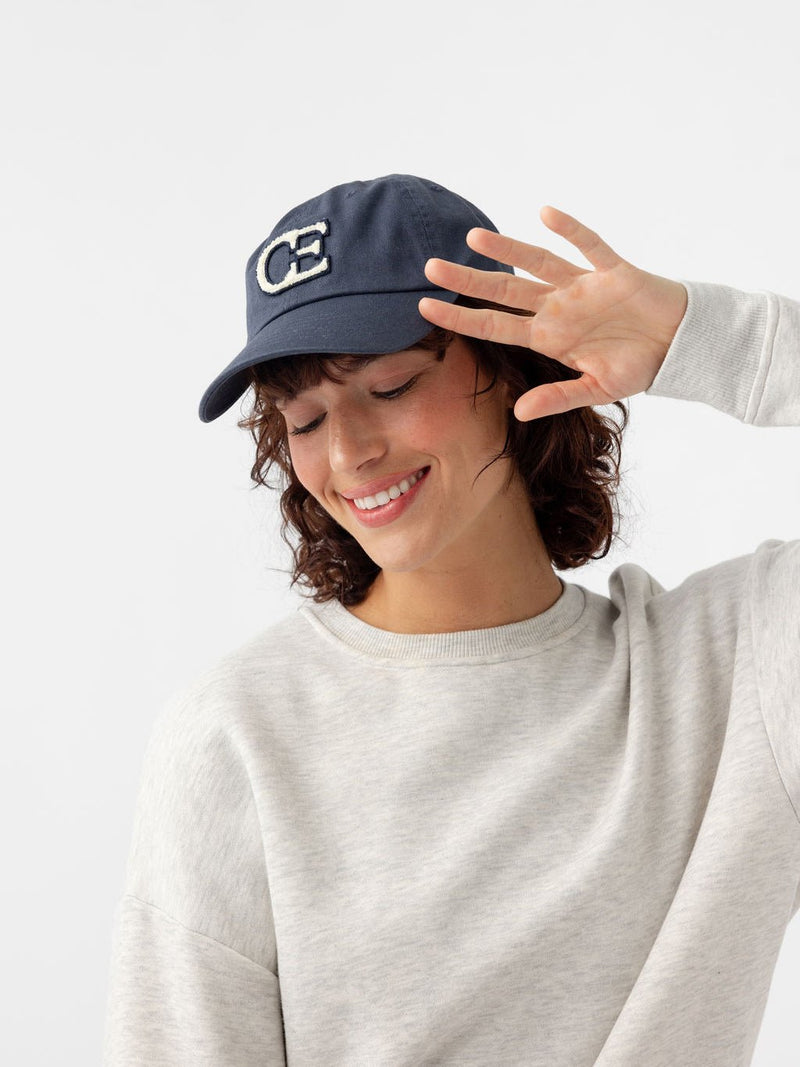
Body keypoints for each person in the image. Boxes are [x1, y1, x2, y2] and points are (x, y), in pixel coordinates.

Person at [102, 173, 800, 1066]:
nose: (348, 452)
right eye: (305, 418)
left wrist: (718, 345)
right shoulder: (236, 735)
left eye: (390, 385)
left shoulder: (736, 676)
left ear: (511, 366)